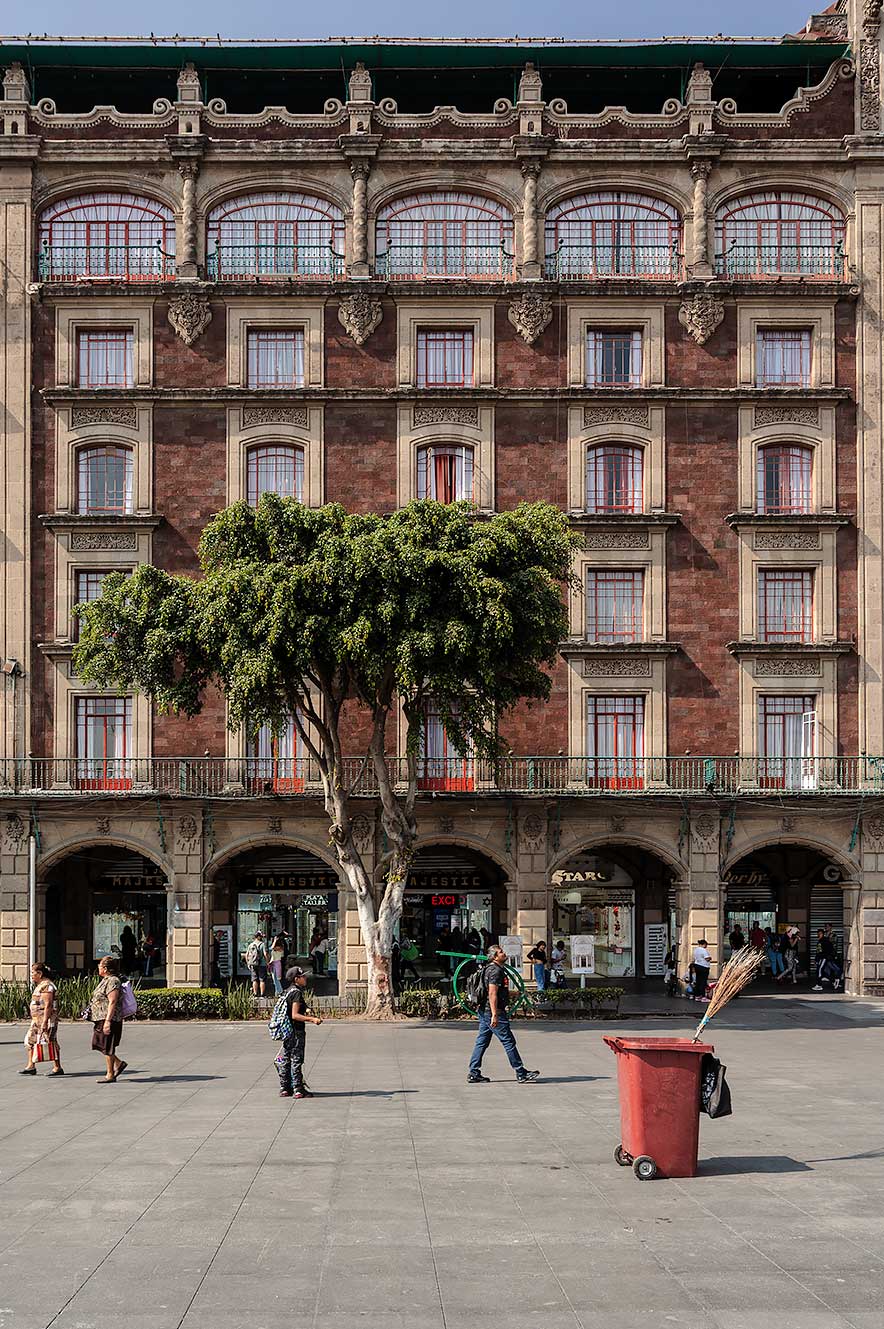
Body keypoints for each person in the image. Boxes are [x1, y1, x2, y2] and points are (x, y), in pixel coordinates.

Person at [468, 944, 539, 1084]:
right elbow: (492, 993)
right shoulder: (495, 971)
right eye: (501, 952)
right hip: (494, 1012)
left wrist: (515, 993)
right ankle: (520, 1072)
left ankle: (473, 1072)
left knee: (482, 1042)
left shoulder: (491, 969)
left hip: (484, 1011)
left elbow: (498, 991)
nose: (504, 954)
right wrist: (495, 1014)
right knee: (508, 1041)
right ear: (495, 956)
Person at [275, 966, 323, 1099]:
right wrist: (313, 1019)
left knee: (285, 1059)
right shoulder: (296, 993)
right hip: (296, 1031)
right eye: (303, 976)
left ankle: (284, 1088)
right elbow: (295, 1015)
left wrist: (306, 1009)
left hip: (287, 1031)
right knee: (296, 1059)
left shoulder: (288, 991)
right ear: (296, 979)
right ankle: (298, 1089)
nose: (305, 978)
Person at [20, 962, 63, 1077]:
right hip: (37, 1020)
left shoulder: (47, 986)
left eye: (33, 973)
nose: (31, 975)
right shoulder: (41, 985)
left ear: (40, 973)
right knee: (30, 1040)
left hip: (46, 1020)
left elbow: (48, 1005)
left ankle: (57, 1067)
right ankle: (31, 1066)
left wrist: (45, 1022)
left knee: (51, 1041)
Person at [90, 955, 127, 1083]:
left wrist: (108, 1021)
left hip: (109, 1018)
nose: (98, 968)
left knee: (107, 1045)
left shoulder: (113, 981)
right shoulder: (105, 980)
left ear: (105, 968)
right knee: (99, 1043)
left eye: (100, 966)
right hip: (100, 1017)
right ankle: (118, 1063)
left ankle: (110, 1074)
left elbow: (112, 1001)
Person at [244, 932, 269, 997]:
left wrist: (248, 963)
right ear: (258, 937)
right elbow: (265, 954)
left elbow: (246, 955)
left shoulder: (251, 945)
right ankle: (262, 994)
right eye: (261, 936)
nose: (262, 937)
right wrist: (267, 962)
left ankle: (255, 993)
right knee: (262, 979)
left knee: (254, 979)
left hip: (253, 964)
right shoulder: (262, 944)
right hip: (262, 964)